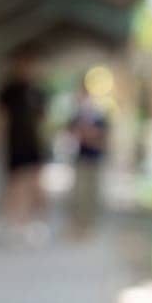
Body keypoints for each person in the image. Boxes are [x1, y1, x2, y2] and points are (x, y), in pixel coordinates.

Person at [0, 54, 48, 240]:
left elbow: (43, 121)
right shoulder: (9, 90)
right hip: (14, 144)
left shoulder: (39, 92)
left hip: (34, 145)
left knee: (35, 184)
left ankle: (30, 222)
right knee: (16, 185)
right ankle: (15, 223)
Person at [67, 84, 109, 239]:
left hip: (94, 158)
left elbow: (100, 137)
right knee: (79, 193)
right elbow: (72, 135)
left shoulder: (99, 117)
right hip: (81, 159)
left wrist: (89, 135)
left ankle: (89, 224)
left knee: (92, 193)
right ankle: (79, 224)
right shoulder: (75, 117)